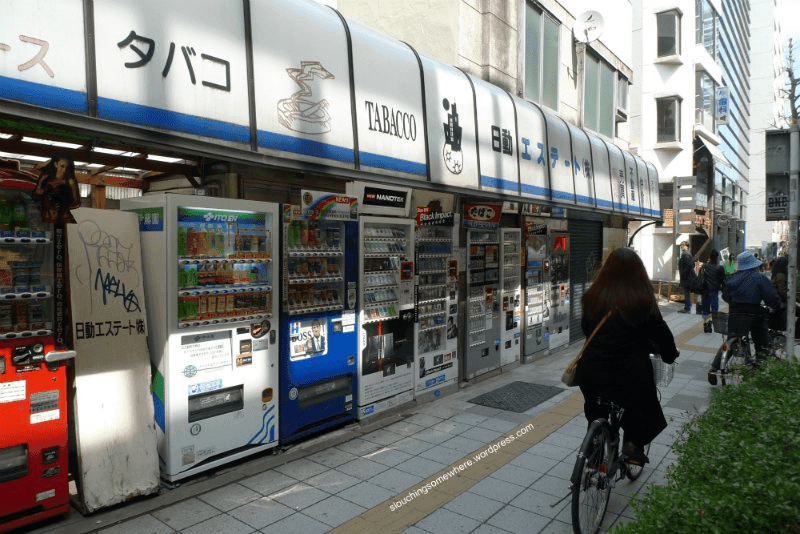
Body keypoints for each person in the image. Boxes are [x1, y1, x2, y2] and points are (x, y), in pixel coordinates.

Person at [576, 248, 679, 466]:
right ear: (638, 273)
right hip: (628, 373)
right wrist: (670, 354)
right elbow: (661, 332)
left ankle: (594, 442)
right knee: (643, 403)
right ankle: (632, 444)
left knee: (595, 408)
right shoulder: (641, 300)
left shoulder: (592, 296)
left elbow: (586, 328)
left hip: (592, 369)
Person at [708, 251, 781, 385]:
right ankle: (759, 368)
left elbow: (725, 296)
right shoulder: (759, 278)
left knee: (730, 341)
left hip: (736, 314)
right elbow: (771, 298)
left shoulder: (731, 278)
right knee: (761, 341)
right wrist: (776, 305)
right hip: (755, 314)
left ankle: (714, 368)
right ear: (753, 265)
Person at [32, 153, 81, 224]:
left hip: (63, 218)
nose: (64, 170)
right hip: (47, 217)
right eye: (62, 166)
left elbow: (76, 202)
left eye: (67, 167)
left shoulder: (70, 181)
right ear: (55, 164)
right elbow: (35, 195)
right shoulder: (45, 177)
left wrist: (63, 205)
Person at [699, 249, 725, 333]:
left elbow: (700, 277)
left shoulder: (704, 266)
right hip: (714, 290)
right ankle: (712, 323)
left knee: (705, 308)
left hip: (705, 290)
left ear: (710, 257)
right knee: (714, 308)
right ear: (717, 258)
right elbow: (722, 280)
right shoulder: (719, 268)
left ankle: (706, 324)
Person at [677, 241, 697, 314]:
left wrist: (683, 273)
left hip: (687, 278)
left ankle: (687, 308)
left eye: (683, 245)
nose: (682, 247)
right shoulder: (687, 254)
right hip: (687, 278)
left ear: (687, 246)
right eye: (681, 245)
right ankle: (688, 307)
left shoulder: (686, 255)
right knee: (687, 293)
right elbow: (692, 264)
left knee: (686, 293)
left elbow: (691, 265)